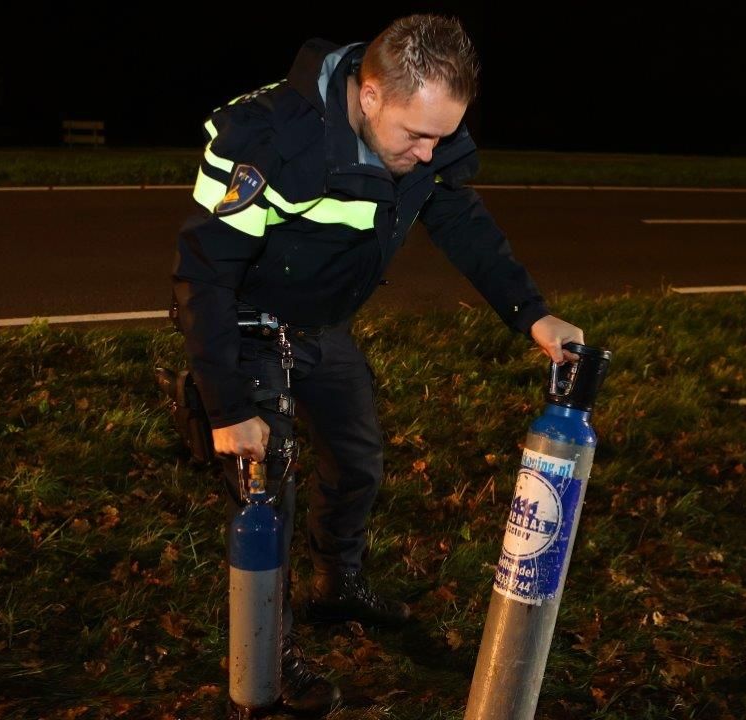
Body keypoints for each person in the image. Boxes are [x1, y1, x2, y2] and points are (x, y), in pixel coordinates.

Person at [170, 13, 584, 716]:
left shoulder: (426, 143)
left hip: (323, 325)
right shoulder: (267, 141)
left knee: (358, 462)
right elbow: (204, 277)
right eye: (416, 135)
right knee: (268, 491)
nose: (429, 154)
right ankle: (270, 657)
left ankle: (339, 586)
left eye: (443, 136)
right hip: (246, 324)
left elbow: (462, 222)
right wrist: (229, 406)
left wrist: (532, 314)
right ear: (368, 98)